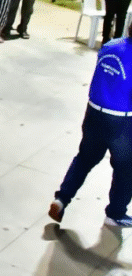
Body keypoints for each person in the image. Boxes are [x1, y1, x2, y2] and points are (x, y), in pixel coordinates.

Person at [49, 26, 131, 228]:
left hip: (93, 112)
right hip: (120, 121)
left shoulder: (111, 45)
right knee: (125, 169)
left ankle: (62, 199)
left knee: (85, 158)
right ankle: (116, 213)